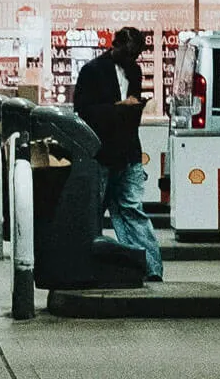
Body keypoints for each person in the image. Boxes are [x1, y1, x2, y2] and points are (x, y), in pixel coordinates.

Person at [72, 26, 163, 282]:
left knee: (132, 210)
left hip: (127, 151)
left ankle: (150, 268)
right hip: (101, 152)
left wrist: (133, 108)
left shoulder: (134, 71)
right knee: (98, 212)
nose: (132, 59)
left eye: (135, 55)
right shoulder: (92, 71)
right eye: (129, 53)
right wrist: (119, 108)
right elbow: (84, 111)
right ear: (116, 45)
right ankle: (91, 265)